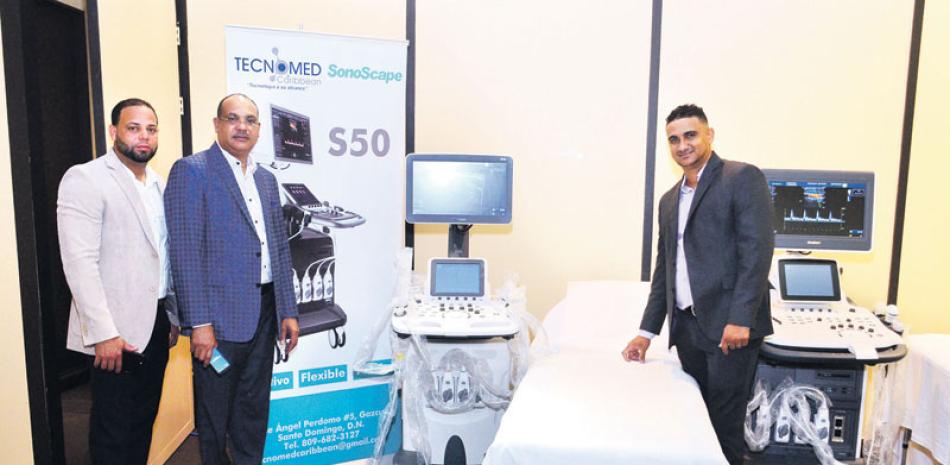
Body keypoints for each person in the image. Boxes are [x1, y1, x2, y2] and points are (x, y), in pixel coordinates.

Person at [622, 104, 774, 465]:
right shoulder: (669, 200)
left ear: (709, 135)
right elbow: (665, 270)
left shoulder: (741, 178)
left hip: (728, 329)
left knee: (723, 428)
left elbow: (757, 252)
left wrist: (741, 319)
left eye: (690, 135)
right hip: (687, 330)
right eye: (673, 139)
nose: (682, 145)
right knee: (694, 424)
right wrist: (646, 332)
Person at [165, 93, 299, 465]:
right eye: (233, 118)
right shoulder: (192, 171)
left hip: (266, 310)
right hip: (219, 321)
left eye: (250, 120)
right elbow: (185, 253)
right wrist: (200, 324)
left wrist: (288, 310)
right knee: (215, 415)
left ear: (258, 130)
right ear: (217, 124)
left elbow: (279, 248)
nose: (242, 126)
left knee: (254, 410)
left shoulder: (267, 180)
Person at [57, 98, 179, 465]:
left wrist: (170, 314)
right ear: (114, 131)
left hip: (155, 324)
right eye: (133, 127)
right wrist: (103, 333)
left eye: (151, 128)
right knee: (113, 432)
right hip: (114, 333)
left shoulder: (158, 183)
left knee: (142, 423)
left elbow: (163, 255)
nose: (144, 136)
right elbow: (79, 263)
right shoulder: (86, 178)